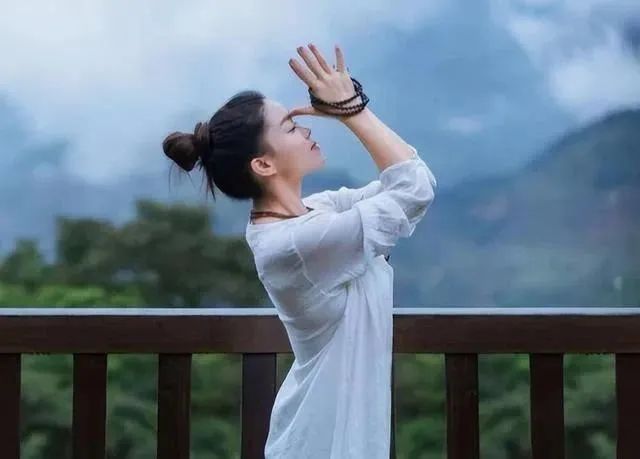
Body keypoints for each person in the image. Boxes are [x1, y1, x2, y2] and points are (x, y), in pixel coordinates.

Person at [162, 43, 437, 459]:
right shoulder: (298, 243)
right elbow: (415, 189)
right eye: (290, 128)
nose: (307, 130)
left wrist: (349, 109)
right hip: (322, 444)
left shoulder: (313, 215)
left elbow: (406, 179)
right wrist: (351, 111)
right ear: (263, 165)